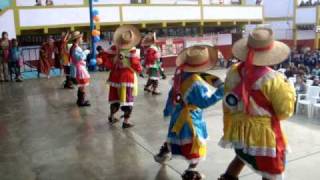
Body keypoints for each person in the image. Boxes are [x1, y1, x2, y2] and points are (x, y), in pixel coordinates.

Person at [218, 27, 296, 180]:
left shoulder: (233, 71)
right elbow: (284, 112)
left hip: (239, 130)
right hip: (262, 136)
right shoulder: (274, 79)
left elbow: (228, 100)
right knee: (272, 172)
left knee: (241, 157)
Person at [154, 45, 224, 180]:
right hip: (191, 119)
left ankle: (162, 154)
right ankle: (191, 172)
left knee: (175, 135)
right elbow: (203, 102)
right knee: (196, 145)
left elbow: (171, 95)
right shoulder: (195, 82)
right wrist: (221, 91)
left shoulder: (180, 76)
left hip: (178, 114)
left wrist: (168, 110)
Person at [106, 25, 142, 128]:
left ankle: (111, 116)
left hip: (114, 76)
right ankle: (126, 122)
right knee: (127, 100)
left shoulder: (113, 48)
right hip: (126, 77)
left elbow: (107, 62)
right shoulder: (132, 50)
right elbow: (136, 64)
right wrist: (140, 70)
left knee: (115, 99)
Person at [69, 31, 91, 107]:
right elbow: (80, 57)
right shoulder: (75, 48)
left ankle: (80, 100)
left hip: (77, 68)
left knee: (81, 85)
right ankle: (81, 101)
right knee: (82, 85)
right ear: (78, 39)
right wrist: (86, 52)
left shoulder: (74, 47)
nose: (82, 38)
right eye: (81, 37)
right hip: (78, 69)